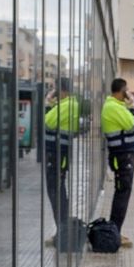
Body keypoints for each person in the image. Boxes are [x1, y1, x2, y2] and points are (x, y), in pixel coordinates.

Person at [42, 88, 82, 247]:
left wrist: (47, 103)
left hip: (57, 155)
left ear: (63, 91)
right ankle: (62, 231)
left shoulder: (68, 105)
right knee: (58, 192)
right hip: (59, 155)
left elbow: (47, 122)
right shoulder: (67, 105)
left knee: (56, 192)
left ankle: (62, 231)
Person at [102, 79, 134, 247]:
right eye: (126, 90)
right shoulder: (113, 107)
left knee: (122, 192)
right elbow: (133, 126)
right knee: (122, 193)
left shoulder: (117, 106)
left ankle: (115, 230)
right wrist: (132, 108)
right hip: (121, 156)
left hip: (123, 156)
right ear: (121, 90)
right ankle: (114, 232)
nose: (127, 93)